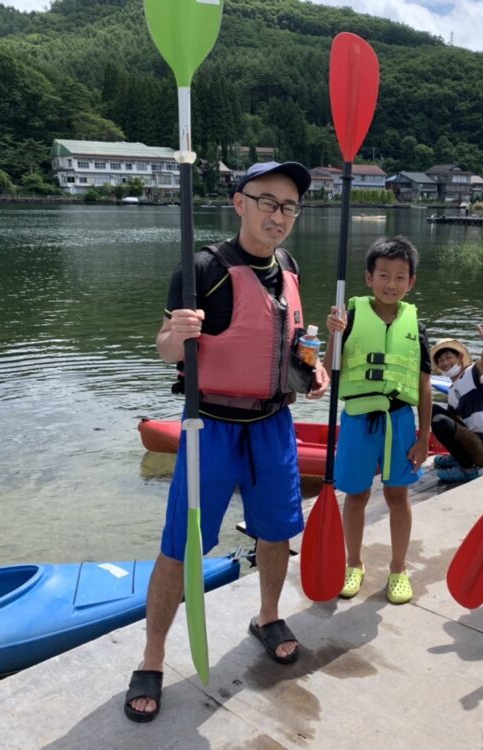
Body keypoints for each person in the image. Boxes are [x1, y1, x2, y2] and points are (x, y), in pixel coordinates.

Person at [124, 161, 330, 723]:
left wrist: (313, 371)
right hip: (207, 427)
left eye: (288, 206)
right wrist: (174, 336)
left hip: (273, 424)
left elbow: (292, 343)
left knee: (276, 532)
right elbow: (167, 348)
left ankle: (266, 616)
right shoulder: (203, 269)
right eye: (267, 201)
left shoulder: (289, 266)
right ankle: (152, 656)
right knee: (181, 546)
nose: (278, 215)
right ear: (240, 202)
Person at [324, 236, 432, 605]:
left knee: (397, 496)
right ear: (368, 278)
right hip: (357, 419)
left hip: (400, 422)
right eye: (383, 275)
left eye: (400, 277)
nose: (391, 284)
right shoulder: (349, 316)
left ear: (411, 282)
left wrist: (424, 437)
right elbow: (327, 372)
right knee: (355, 495)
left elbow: (424, 385)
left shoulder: (416, 325)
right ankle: (353, 564)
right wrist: (332, 337)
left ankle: (399, 569)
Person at [429, 311, 483, 483]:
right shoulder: (452, 390)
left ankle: (467, 469)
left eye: (449, 358)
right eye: (441, 361)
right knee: (432, 410)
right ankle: (457, 458)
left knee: (440, 422)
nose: (445, 363)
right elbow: (454, 426)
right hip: (472, 442)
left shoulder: (471, 375)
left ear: (460, 358)